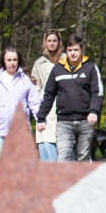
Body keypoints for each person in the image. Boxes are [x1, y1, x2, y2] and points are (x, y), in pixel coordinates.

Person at [36, 34, 103, 162]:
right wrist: (41, 117)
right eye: (70, 50)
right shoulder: (57, 70)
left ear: (81, 50)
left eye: (76, 50)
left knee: (84, 157)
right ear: (66, 50)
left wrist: (94, 111)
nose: (73, 53)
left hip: (85, 120)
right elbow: (48, 95)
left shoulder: (90, 68)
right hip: (63, 122)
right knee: (63, 158)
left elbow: (97, 92)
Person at [0, 46, 42, 159]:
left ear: (18, 60)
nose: (12, 63)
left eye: (15, 60)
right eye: (9, 60)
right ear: (4, 61)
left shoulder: (25, 79)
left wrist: (41, 120)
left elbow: (34, 103)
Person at [31, 29, 63, 161]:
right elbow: (35, 88)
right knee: (45, 141)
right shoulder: (39, 63)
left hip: (62, 104)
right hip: (46, 106)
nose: (52, 44)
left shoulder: (65, 59)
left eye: (54, 41)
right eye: (49, 41)